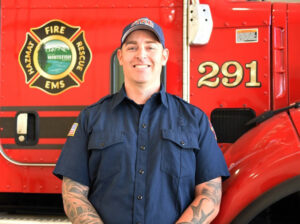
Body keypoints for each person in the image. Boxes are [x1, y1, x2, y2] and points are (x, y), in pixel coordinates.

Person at [53, 17, 229, 224]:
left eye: (150, 47)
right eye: (132, 48)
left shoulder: (195, 119)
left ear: (164, 56)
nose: (141, 55)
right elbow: (73, 194)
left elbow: (210, 195)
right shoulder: (91, 118)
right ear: (120, 57)